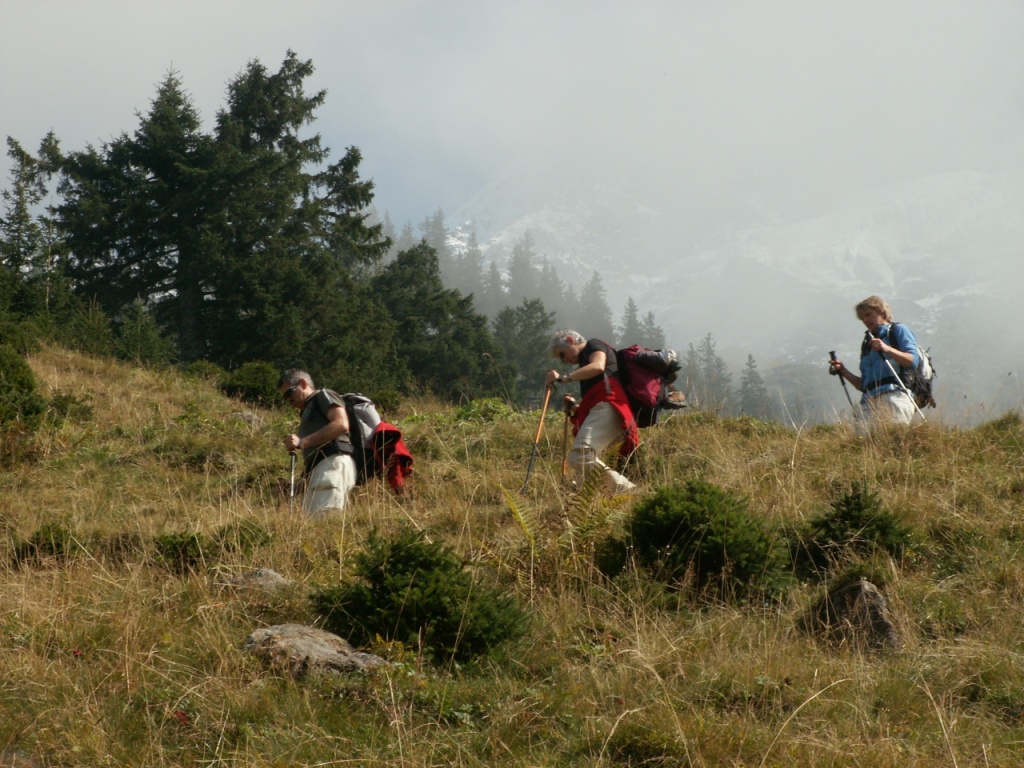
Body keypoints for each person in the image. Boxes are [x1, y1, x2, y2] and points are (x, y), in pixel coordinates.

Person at [545, 330, 639, 493]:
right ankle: (595, 496)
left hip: (609, 404)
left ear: (570, 340)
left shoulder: (593, 344)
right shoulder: (584, 363)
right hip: (609, 407)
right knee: (584, 459)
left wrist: (563, 378)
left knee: (580, 455)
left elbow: (598, 366)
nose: (564, 360)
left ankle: (626, 489)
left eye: (562, 354)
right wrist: (575, 407)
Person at [828, 296, 920, 427]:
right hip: (869, 401)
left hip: (895, 395)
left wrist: (887, 349)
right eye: (862, 318)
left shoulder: (898, 330)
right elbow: (863, 385)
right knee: (864, 439)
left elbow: (912, 361)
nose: (865, 320)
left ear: (882, 312)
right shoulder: (867, 344)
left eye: (868, 314)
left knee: (895, 435)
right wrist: (843, 371)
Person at [278, 369, 357, 517]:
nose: (288, 400)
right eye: (284, 398)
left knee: (324, 520)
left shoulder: (323, 395)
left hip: (332, 463)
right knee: (316, 521)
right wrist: (297, 486)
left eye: (289, 393)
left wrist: (302, 441)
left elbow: (341, 424)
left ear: (303, 383)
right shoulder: (308, 409)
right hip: (326, 467)